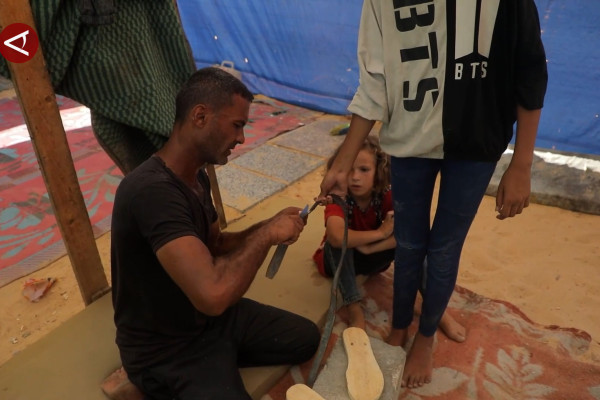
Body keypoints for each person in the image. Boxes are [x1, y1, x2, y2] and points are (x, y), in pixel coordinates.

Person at [317, 0, 548, 389]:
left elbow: (529, 67)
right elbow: (374, 79)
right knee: (408, 243)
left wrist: (522, 163)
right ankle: (401, 324)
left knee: (443, 249)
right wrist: (342, 163)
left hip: (477, 140)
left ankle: (426, 334)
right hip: (408, 139)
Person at [110, 67, 320, 400]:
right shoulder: (151, 192)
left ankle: (219, 360)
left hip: (210, 321)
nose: (242, 138)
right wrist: (266, 236)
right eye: (237, 125)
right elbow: (212, 295)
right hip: (166, 348)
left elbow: (217, 244)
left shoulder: (197, 177)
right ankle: (147, 382)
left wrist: (268, 225)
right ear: (200, 116)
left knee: (305, 338)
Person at [313, 135, 466, 342]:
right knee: (336, 246)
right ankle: (354, 307)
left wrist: (371, 248)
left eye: (364, 169)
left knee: (414, 246)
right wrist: (380, 233)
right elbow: (337, 237)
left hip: (372, 254)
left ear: (379, 171)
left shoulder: (388, 195)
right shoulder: (338, 196)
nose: (355, 177)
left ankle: (436, 310)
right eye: (349, 169)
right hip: (339, 263)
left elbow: (411, 235)